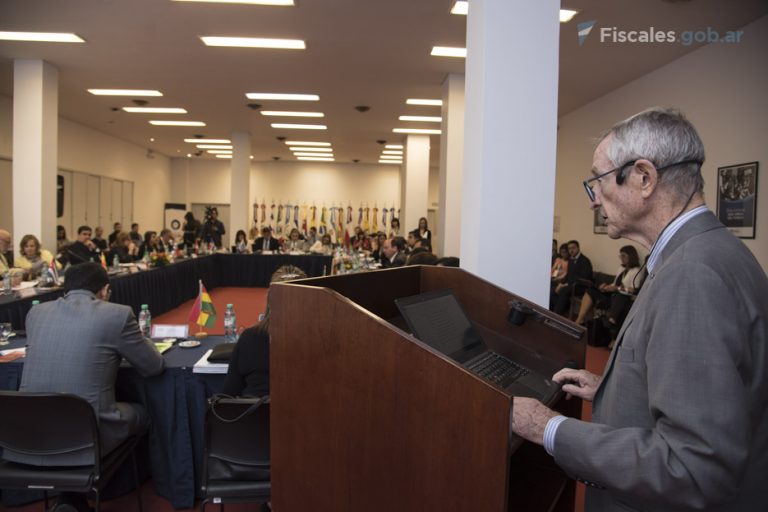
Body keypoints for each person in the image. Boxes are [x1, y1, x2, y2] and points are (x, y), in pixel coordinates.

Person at [511, 108, 768, 511]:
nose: (594, 201)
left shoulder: (691, 273)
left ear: (644, 178)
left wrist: (547, 427)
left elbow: (693, 467)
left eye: (596, 181)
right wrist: (617, 390)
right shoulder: (709, 251)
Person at [5, 262, 165, 468]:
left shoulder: (36, 313)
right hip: (90, 432)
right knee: (145, 412)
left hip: (29, 434)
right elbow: (154, 367)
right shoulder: (118, 314)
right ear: (105, 290)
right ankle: (126, 487)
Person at [223, 265, 308, 398]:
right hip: (305, 416)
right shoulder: (320, 340)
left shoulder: (249, 338)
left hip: (254, 415)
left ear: (270, 299)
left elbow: (229, 394)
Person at [573, 245, 641, 326]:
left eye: (623, 256)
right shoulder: (622, 268)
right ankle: (579, 320)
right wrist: (606, 286)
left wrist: (616, 288)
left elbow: (633, 290)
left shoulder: (637, 270)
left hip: (622, 297)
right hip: (612, 293)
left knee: (618, 297)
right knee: (591, 291)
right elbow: (615, 282)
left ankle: (611, 321)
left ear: (631, 256)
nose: (621, 258)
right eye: (620, 255)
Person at [550, 240, 593, 316]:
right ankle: (553, 312)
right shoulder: (571, 259)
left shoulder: (585, 260)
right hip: (571, 285)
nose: (571, 250)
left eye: (573, 248)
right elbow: (568, 275)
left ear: (578, 248)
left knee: (563, 290)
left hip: (581, 286)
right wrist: (562, 283)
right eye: (569, 248)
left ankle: (557, 315)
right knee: (553, 290)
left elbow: (584, 278)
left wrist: (566, 284)